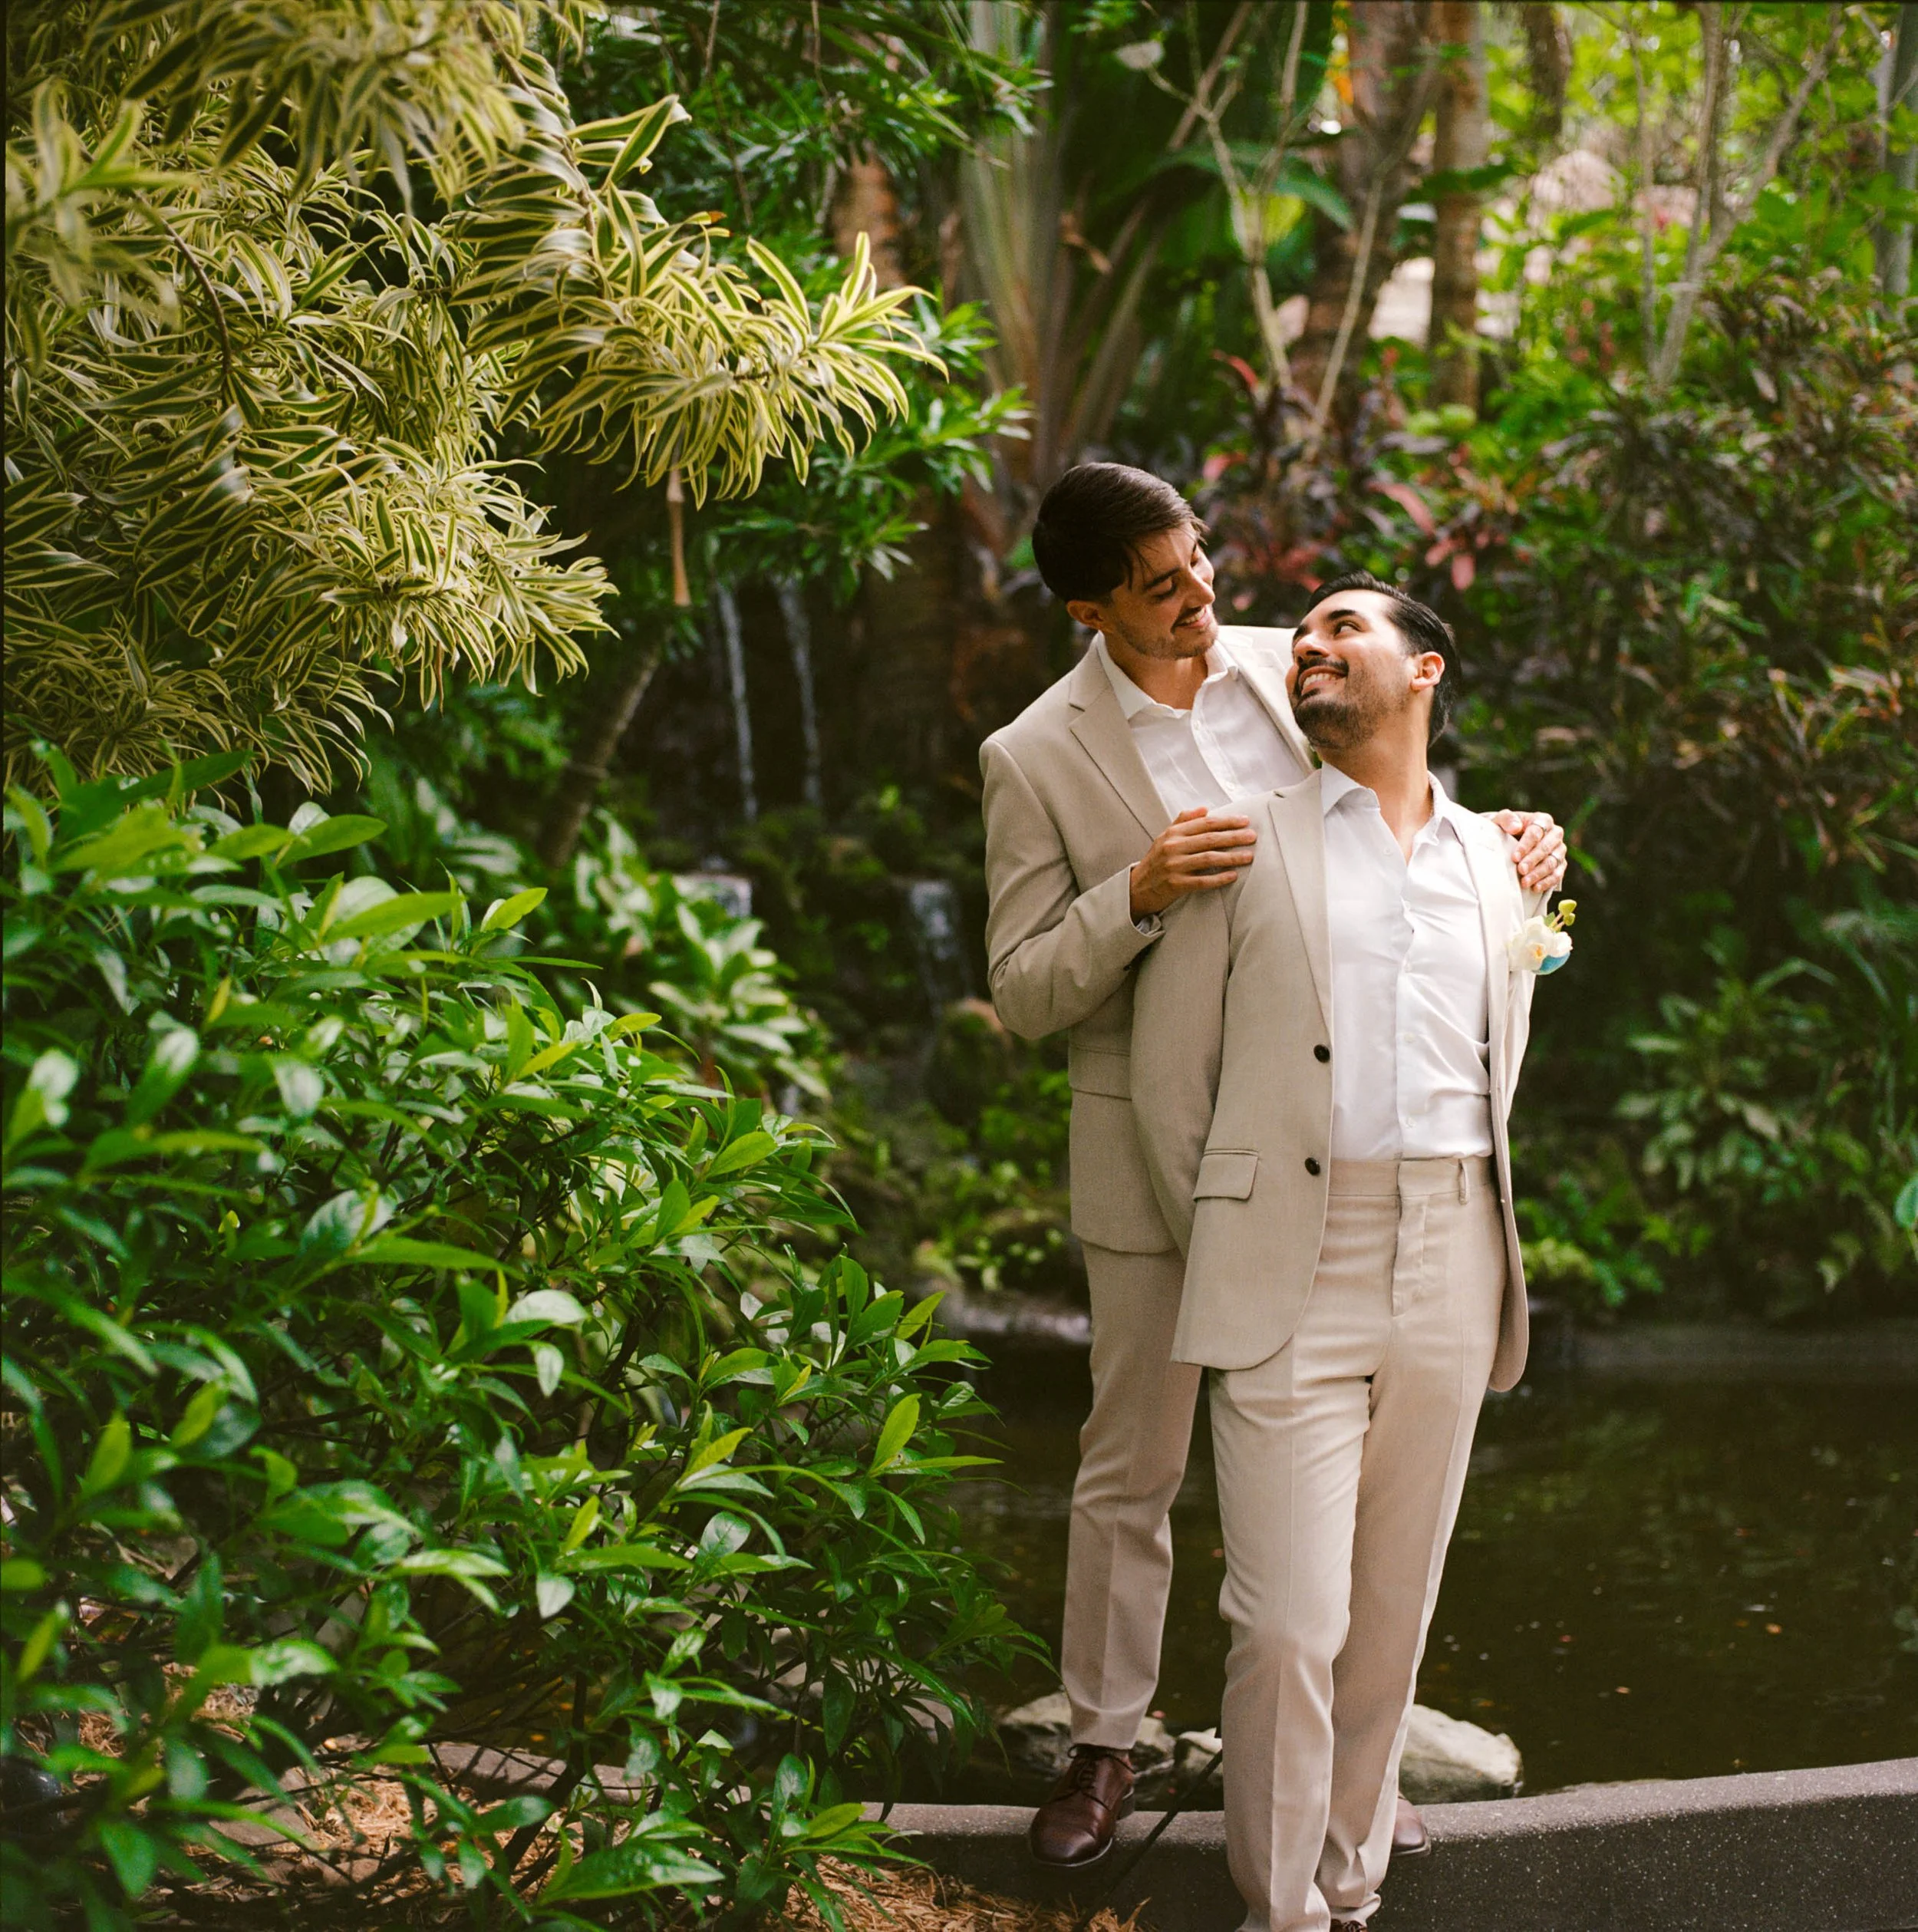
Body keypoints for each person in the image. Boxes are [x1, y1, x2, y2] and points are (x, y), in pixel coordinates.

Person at [978, 463, 1566, 1871]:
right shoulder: (1034, 753)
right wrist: (1139, 890)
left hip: (1323, 1140)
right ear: (1088, 606)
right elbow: (1020, 987)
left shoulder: (1277, 669)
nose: (1203, 600)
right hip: (1149, 1142)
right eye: (1163, 586)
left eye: (1199, 565)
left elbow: (1395, 823)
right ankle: (1108, 1742)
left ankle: (1327, 1785)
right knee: (1134, 1459)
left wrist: (1514, 844)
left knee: (1352, 1486)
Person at [1128, 572, 1564, 1931]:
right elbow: (1169, 1079)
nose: (1310, 646)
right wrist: (1234, 1231)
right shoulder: (1243, 838)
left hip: (1456, 1249)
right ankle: (1280, 1915)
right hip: (1289, 1265)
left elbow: (1503, 1043)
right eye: (1300, 636)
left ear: (1424, 672)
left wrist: (1530, 854)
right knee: (1282, 1621)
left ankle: (1347, 1885)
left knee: (1390, 1615)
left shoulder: (1501, 858)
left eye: (1343, 629)